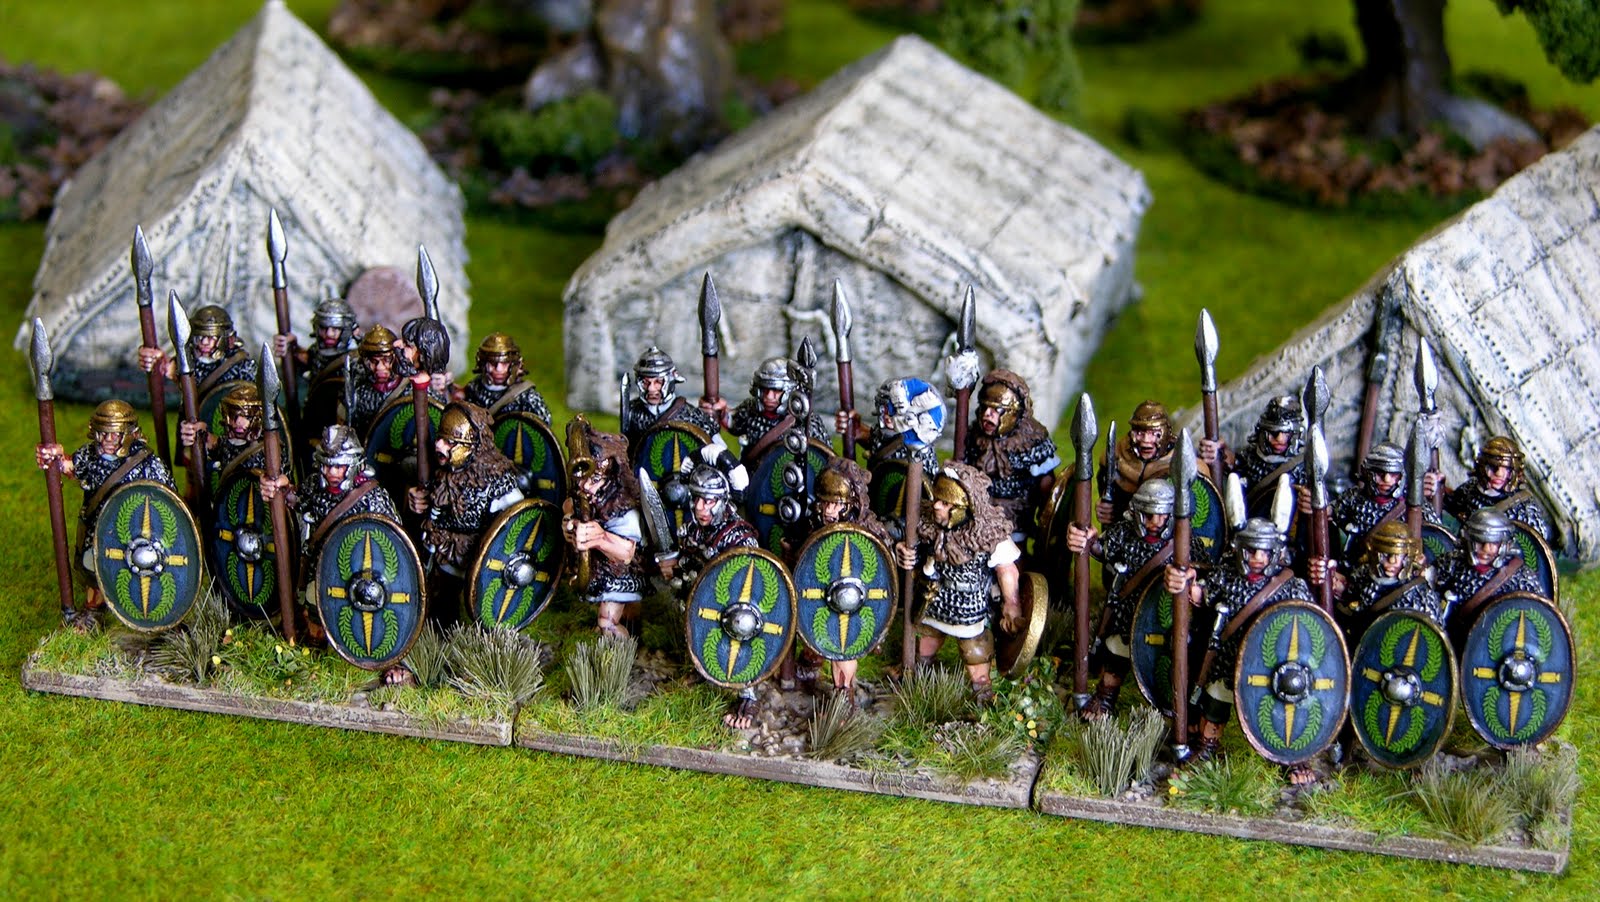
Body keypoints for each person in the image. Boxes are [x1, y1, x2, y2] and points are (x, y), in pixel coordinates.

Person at [1165, 518, 1314, 782]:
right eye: (1251, 551)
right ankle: (1207, 746)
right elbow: (1200, 594)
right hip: (1230, 657)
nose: (1257, 558)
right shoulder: (1226, 577)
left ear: (1275, 553)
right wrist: (1185, 582)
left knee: (1281, 709)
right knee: (1216, 698)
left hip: (1274, 666)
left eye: (1264, 552)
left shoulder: (1292, 587)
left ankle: (1290, 755)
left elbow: (1311, 623)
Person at [1066, 481, 1200, 719]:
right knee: (1117, 651)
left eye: (1162, 516)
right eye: (1149, 515)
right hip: (1129, 610)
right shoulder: (1124, 533)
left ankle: (1176, 705)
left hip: (1169, 618)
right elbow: (1103, 549)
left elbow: (1203, 572)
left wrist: (1192, 582)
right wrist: (1088, 541)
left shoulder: (1185, 542)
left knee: (1174, 657)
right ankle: (1106, 696)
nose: (1156, 522)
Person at [35, 400, 174, 627]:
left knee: (139, 571)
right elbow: (71, 467)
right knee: (95, 567)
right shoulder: (90, 455)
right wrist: (56, 458)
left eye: (116, 434)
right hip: (98, 526)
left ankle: (142, 612)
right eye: (104, 433)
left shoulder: (148, 463)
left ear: (129, 433)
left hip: (137, 532)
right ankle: (93, 611)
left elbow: (169, 498)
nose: (109, 440)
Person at [894, 463, 1023, 705]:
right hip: (933, 596)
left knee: (974, 648)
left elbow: (1007, 569)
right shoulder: (928, 523)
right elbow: (907, 541)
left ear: (963, 508)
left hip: (968, 602)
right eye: (937, 499)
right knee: (927, 637)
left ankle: (981, 688)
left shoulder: (987, 534)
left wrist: (1012, 603)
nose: (936, 506)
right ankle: (919, 672)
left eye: (945, 503)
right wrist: (904, 551)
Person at [260, 425, 401, 646]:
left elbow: (393, 540)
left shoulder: (373, 498)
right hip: (321, 568)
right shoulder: (315, 486)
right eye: (327, 466)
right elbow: (299, 501)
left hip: (360, 576)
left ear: (354, 464)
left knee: (353, 622)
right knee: (314, 609)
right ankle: (316, 644)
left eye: (339, 466)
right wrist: (282, 491)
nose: (332, 473)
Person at [659, 461, 761, 728]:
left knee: (740, 635)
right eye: (696, 500)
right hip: (697, 602)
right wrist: (676, 568)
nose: (699, 508)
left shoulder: (740, 537)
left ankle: (747, 695)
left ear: (723, 501)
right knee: (696, 633)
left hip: (733, 608)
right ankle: (703, 670)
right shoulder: (693, 529)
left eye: (708, 501)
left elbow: (752, 581)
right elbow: (688, 563)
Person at [407, 403, 525, 622]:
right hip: (441, 555)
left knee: (481, 611)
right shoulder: (442, 470)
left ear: (471, 446)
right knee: (441, 609)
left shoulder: (495, 482)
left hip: (477, 561)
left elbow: (519, 519)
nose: (439, 445)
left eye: (450, 442)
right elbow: (430, 504)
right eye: (440, 438)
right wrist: (416, 500)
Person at [794, 458, 893, 705]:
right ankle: (808, 674)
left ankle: (843, 697)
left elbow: (882, 569)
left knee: (844, 649)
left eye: (836, 504)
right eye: (825, 503)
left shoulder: (868, 532)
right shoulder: (814, 524)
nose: (829, 511)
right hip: (817, 597)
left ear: (851, 503)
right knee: (812, 639)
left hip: (851, 602)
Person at [563, 426, 646, 638]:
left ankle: (620, 653)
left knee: (607, 623)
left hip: (618, 576)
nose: (585, 487)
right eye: (582, 479)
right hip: (593, 572)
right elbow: (568, 506)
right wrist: (568, 525)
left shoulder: (624, 511)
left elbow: (626, 553)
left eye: (594, 480)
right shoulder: (585, 496)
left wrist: (599, 538)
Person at [961, 370, 1059, 540]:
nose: (987, 414)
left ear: (1014, 412)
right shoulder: (974, 437)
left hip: (1015, 513)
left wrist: (1046, 516)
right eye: (984, 407)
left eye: (997, 409)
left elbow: (1046, 486)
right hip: (979, 510)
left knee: (1014, 548)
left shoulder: (1030, 441)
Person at [1309, 521, 1443, 643]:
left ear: (1408, 556)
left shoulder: (1421, 596)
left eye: (1398, 555)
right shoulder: (1364, 575)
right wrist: (1331, 579)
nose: (1392, 561)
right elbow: (1350, 596)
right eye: (1385, 555)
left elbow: (1431, 638)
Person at [1318, 441, 1440, 568]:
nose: (1386, 479)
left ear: (1403, 475)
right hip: (1360, 566)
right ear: (1368, 472)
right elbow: (1330, 513)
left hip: (1398, 569)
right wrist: (1320, 508)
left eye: (1393, 474)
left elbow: (1436, 534)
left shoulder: (1414, 504)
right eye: (1379, 473)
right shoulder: (1354, 498)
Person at [1099, 400, 1209, 525]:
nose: (1146, 440)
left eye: (1155, 434)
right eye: (1140, 433)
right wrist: (1105, 509)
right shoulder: (1116, 458)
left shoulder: (1185, 464)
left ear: (1166, 433)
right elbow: (1109, 496)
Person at [702, 356, 829, 464]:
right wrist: (720, 411)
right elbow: (734, 423)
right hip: (751, 478)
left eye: (776, 391)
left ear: (789, 391)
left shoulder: (808, 423)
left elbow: (825, 459)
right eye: (765, 390)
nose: (769, 397)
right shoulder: (751, 409)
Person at [1435, 510, 1544, 630]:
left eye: (1494, 543)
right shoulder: (1451, 564)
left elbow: (1538, 614)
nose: (1486, 549)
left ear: (1505, 545)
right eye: (1480, 542)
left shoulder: (1521, 577)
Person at [1441, 436, 1552, 542]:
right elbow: (1451, 503)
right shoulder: (1471, 489)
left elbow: (1537, 540)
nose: (1499, 474)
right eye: (1493, 467)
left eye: (1507, 469)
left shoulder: (1523, 508)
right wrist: (1437, 487)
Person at [139, 304, 256, 392]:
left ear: (227, 339)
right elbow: (168, 368)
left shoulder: (242, 366)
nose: (204, 342)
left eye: (211, 338)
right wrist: (157, 361)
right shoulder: (188, 361)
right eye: (200, 337)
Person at [621, 346, 719, 447]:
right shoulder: (632, 412)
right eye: (645, 382)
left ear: (671, 379)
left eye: (658, 382)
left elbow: (718, 450)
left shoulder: (692, 416)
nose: (651, 388)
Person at [457, 333, 550, 421]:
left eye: (505, 363)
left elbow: (543, 423)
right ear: (483, 364)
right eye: (493, 363)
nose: (499, 369)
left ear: (514, 364)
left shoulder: (527, 397)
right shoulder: (474, 388)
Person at [347, 325, 417, 438]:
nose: (380, 367)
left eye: (387, 360)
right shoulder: (358, 392)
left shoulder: (413, 388)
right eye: (373, 361)